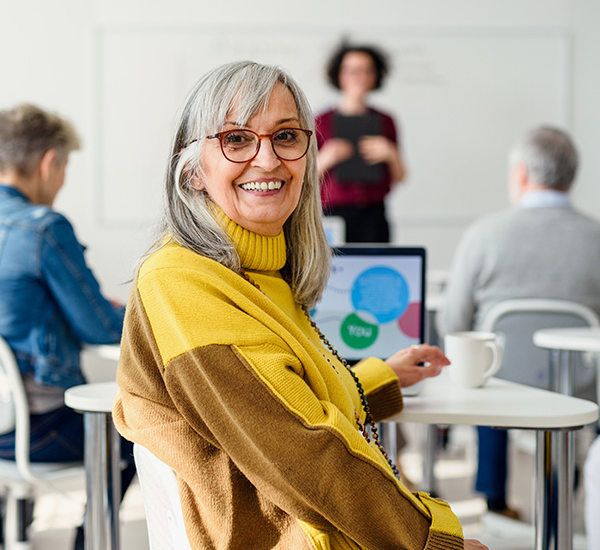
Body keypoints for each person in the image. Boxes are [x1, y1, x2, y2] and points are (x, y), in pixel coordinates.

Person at [113, 60, 487, 549]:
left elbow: (280, 403)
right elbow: (299, 447)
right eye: (236, 138)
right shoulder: (180, 280)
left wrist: (379, 378)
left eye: (286, 137)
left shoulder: (264, 275)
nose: (267, 160)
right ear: (193, 171)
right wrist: (431, 539)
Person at [438, 125, 600, 518]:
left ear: (522, 174)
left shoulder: (484, 235)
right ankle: (560, 498)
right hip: (578, 383)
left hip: (500, 377)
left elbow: (453, 320)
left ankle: (494, 500)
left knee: (484, 376)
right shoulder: (597, 238)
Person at [0, 103, 136, 550]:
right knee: (142, 430)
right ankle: (87, 543)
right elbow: (100, 328)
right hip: (35, 432)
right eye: (64, 168)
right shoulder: (43, 228)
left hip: (5, 428)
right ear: (48, 162)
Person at [316, 43, 405, 243]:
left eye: (367, 71)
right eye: (353, 71)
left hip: (374, 215)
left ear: (376, 76)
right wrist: (326, 158)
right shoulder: (320, 121)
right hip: (332, 214)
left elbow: (401, 177)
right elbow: (305, 179)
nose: (360, 77)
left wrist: (390, 153)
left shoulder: (386, 121)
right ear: (339, 75)